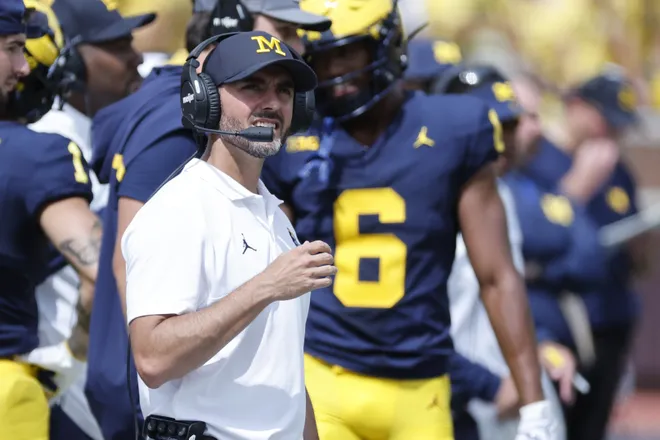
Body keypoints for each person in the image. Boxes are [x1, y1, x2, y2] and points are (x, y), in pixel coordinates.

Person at [262, 0, 558, 439]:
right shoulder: (295, 136)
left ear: (389, 45)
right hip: (321, 378)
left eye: (349, 52)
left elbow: (497, 276)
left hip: (421, 388)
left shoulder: (453, 128)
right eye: (323, 56)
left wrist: (536, 405)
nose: (335, 71)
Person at [85, 1, 330, 438]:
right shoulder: (180, 210)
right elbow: (153, 359)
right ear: (206, 100)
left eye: (285, 91)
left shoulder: (273, 215)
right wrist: (266, 286)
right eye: (252, 86)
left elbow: (283, 375)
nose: (272, 103)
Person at [23, 0, 155, 437]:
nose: (134, 56)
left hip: (124, 375)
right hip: (68, 386)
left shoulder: (127, 130)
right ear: (70, 65)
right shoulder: (46, 145)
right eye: (116, 47)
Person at [437, 65, 574, 440]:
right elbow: (407, 321)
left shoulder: (501, 194)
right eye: (495, 125)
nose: (506, 138)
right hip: (452, 402)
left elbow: (501, 298)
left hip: (504, 406)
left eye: (511, 124)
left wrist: (539, 340)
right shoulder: (427, 203)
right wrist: (485, 384)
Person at [520, 71, 643, 440]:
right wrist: (577, 187)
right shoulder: (537, 158)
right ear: (576, 107)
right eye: (605, 119)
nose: (612, 133)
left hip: (610, 322)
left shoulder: (617, 168)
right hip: (556, 324)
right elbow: (533, 239)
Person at [0, 1, 99, 438]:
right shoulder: (31, 155)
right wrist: (71, 357)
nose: (22, 67)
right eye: (13, 48)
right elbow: (99, 279)